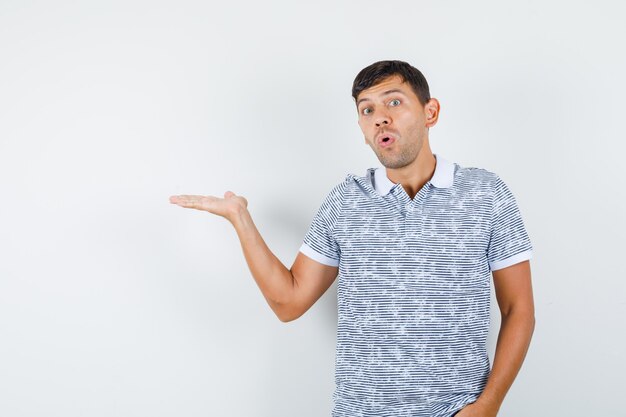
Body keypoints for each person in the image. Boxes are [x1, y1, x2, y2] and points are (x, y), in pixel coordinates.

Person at [169, 60, 535, 417]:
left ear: (430, 112)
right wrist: (240, 219)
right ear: (362, 128)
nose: (380, 117)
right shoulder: (346, 200)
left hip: (458, 409)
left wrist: (488, 406)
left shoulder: (486, 194)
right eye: (367, 109)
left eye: (394, 101)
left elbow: (518, 309)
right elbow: (289, 303)